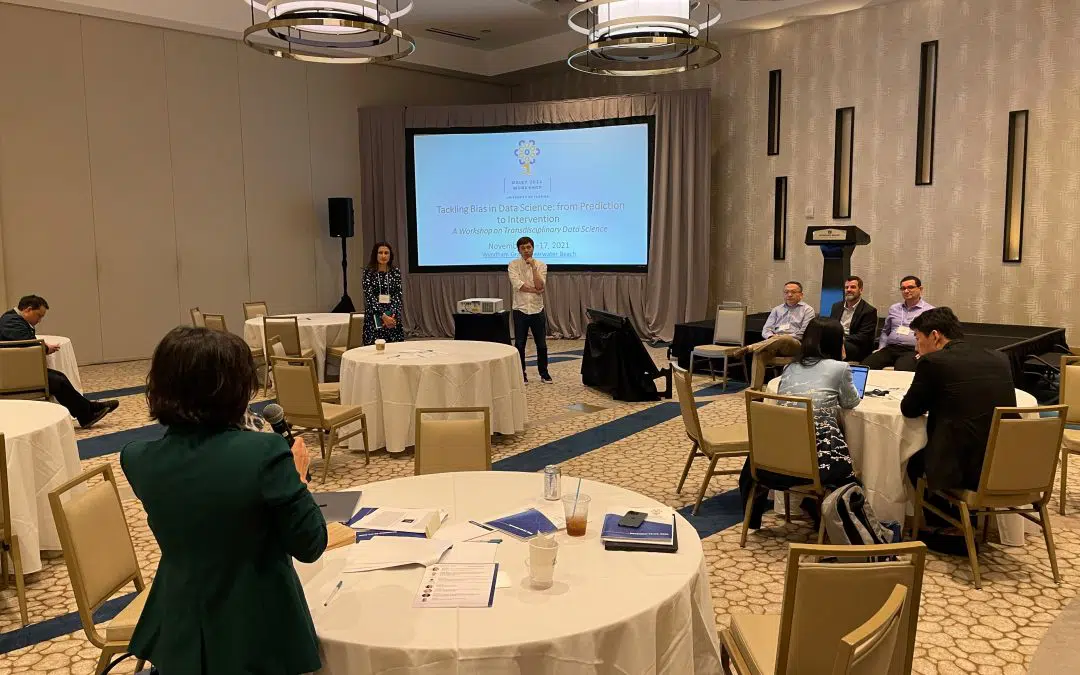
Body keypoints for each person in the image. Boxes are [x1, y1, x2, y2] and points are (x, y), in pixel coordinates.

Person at [121, 326, 326, 675]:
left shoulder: (137, 458)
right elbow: (310, 544)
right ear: (236, 390)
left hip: (178, 625)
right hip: (256, 630)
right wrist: (298, 480)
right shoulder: (264, 453)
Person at [739, 317, 859, 529]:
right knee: (853, 469)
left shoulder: (791, 367)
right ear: (836, 341)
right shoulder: (839, 367)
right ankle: (833, 520)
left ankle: (765, 515)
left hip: (773, 456)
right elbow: (851, 402)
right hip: (816, 459)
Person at [901, 307, 1016, 493]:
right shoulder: (1000, 358)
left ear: (935, 336)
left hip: (962, 469)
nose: (916, 347)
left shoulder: (933, 362)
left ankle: (944, 517)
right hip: (1006, 460)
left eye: (917, 338)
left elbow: (909, 409)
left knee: (910, 458)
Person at [0, 295, 118, 428]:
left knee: (59, 377)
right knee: (58, 381)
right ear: (28, 310)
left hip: (16, 370)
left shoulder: (13, 319)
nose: (39, 321)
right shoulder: (11, 322)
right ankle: (88, 412)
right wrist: (45, 348)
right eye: (39, 316)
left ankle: (88, 411)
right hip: (12, 375)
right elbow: (27, 344)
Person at [740, 281, 816, 389]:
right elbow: (766, 330)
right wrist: (772, 337)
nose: (789, 295)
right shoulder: (777, 310)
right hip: (774, 344)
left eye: (793, 292)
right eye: (786, 292)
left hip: (795, 344)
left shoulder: (808, 310)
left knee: (784, 338)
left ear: (801, 295)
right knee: (759, 353)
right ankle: (755, 391)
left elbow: (803, 333)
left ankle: (750, 347)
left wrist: (781, 337)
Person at [863, 275, 933, 371]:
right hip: (891, 348)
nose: (906, 291)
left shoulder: (929, 310)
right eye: (903, 288)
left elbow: (931, 337)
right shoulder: (894, 308)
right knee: (865, 365)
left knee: (902, 369)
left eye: (910, 287)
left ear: (920, 289)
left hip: (912, 350)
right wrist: (881, 347)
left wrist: (923, 352)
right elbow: (885, 331)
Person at [508, 236, 552, 383]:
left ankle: (544, 373)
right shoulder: (513, 265)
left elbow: (540, 285)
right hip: (520, 309)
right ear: (519, 250)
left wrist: (533, 267)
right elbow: (519, 285)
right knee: (520, 344)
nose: (526, 250)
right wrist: (536, 290)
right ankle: (522, 374)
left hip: (537, 309)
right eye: (523, 248)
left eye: (529, 247)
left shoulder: (541, 265)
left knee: (542, 344)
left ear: (533, 248)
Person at [362, 241, 405, 345]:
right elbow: (370, 298)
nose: (383, 256)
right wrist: (383, 316)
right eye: (380, 253)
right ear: (375, 255)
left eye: (386, 253)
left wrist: (391, 316)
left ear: (390, 255)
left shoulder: (395, 272)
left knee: (395, 350)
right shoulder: (368, 273)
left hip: (392, 317)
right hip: (375, 316)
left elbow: (398, 296)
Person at [828, 275, 878, 362]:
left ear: (861, 290)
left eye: (853, 287)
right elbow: (831, 326)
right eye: (846, 287)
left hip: (856, 345)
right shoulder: (836, 306)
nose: (849, 290)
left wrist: (842, 339)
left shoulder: (869, 311)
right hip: (836, 340)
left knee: (833, 346)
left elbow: (864, 336)